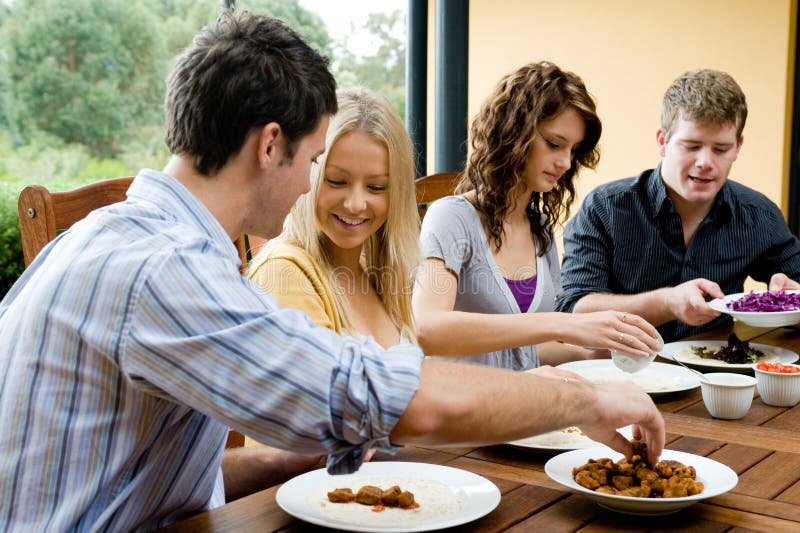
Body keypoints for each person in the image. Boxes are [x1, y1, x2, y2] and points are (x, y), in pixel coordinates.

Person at [0, 13, 664, 532]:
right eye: (315, 160)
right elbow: (395, 395)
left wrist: (286, 457)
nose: (310, 186)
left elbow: (147, 477)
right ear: (269, 145)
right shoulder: (165, 271)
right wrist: (588, 402)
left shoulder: (109, 237)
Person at [412, 61, 663, 370]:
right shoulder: (451, 217)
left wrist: (593, 353)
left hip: (526, 396)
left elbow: (529, 349)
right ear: (512, 134)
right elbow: (427, 329)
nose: (566, 163)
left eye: (573, 150)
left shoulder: (539, 228)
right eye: (554, 144)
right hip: (462, 398)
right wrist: (562, 324)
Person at [556, 68, 800, 342]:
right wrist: (667, 303)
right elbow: (573, 310)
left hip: (719, 367)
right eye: (691, 146)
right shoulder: (605, 208)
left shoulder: (759, 215)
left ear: (738, 147)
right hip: (621, 365)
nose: (705, 162)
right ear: (663, 141)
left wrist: (791, 302)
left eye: (720, 149)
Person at [248, 87, 419, 349]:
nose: (355, 204)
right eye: (337, 181)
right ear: (309, 176)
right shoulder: (283, 272)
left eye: (376, 187)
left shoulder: (378, 274)